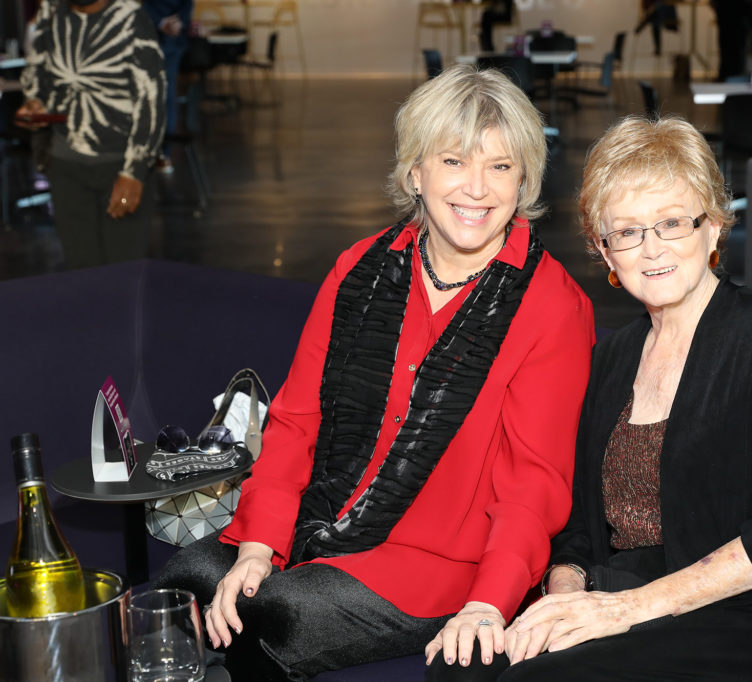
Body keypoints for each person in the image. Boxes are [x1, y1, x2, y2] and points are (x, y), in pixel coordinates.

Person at [153, 64, 595, 681]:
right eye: (453, 162)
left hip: (437, 562)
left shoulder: (552, 303)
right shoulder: (359, 268)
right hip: (320, 520)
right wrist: (259, 544)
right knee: (180, 590)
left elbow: (534, 483)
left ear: (524, 180)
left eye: (500, 166)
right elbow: (296, 418)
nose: (477, 188)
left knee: (273, 616)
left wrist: (489, 604)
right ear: (414, 172)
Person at [427, 115, 752, 682]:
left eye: (672, 223)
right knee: (459, 669)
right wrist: (564, 602)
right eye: (626, 232)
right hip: (627, 595)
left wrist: (628, 608)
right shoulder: (610, 359)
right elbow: (578, 533)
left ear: (713, 228)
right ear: (605, 253)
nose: (651, 248)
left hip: (749, 606)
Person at [17, 0, 165, 269]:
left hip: (119, 164)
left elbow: (151, 99)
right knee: (81, 274)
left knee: (122, 276)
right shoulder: (52, 10)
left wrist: (134, 172)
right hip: (65, 164)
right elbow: (36, 69)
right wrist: (36, 102)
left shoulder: (129, 17)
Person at [142, 0, 193, 173]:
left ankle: (163, 153)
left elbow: (187, 5)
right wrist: (162, 22)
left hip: (171, 42)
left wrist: (177, 23)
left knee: (166, 97)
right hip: (146, 38)